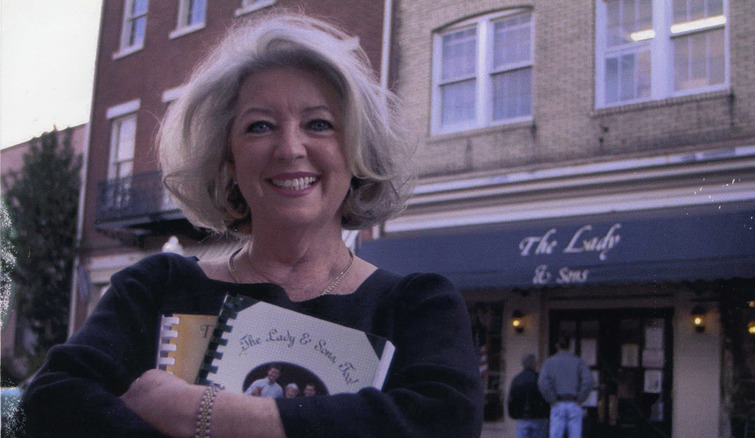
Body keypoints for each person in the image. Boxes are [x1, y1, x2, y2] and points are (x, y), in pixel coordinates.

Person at [18, 13, 482, 438]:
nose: (290, 148)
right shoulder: (158, 287)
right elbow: (52, 401)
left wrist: (203, 413)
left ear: (357, 152)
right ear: (228, 160)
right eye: (260, 127)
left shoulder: (419, 306)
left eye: (319, 124)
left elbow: (444, 423)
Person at [537, 337, 594, 438]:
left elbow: (542, 382)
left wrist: (551, 399)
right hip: (574, 402)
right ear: (569, 345)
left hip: (557, 403)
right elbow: (588, 380)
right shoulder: (578, 361)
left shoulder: (549, 362)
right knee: (575, 434)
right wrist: (581, 398)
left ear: (557, 346)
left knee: (556, 434)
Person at [507, 354, 548, 438]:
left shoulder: (517, 379)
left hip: (522, 417)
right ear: (534, 364)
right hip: (539, 417)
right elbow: (546, 396)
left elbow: (512, 399)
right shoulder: (540, 379)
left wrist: (514, 414)